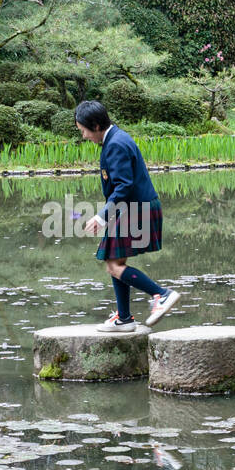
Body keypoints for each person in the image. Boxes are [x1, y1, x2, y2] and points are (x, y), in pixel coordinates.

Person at [76, 100, 180, 331]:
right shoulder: (115, 138)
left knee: (113, 264)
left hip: (136, 208)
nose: (83, 136)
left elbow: (123, 186)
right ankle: (124, 318)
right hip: (132, 206)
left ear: (94, 125)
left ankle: (161, 295)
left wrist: (102, 216)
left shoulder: (116, 144)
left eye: (83, 130)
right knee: (114, 261)